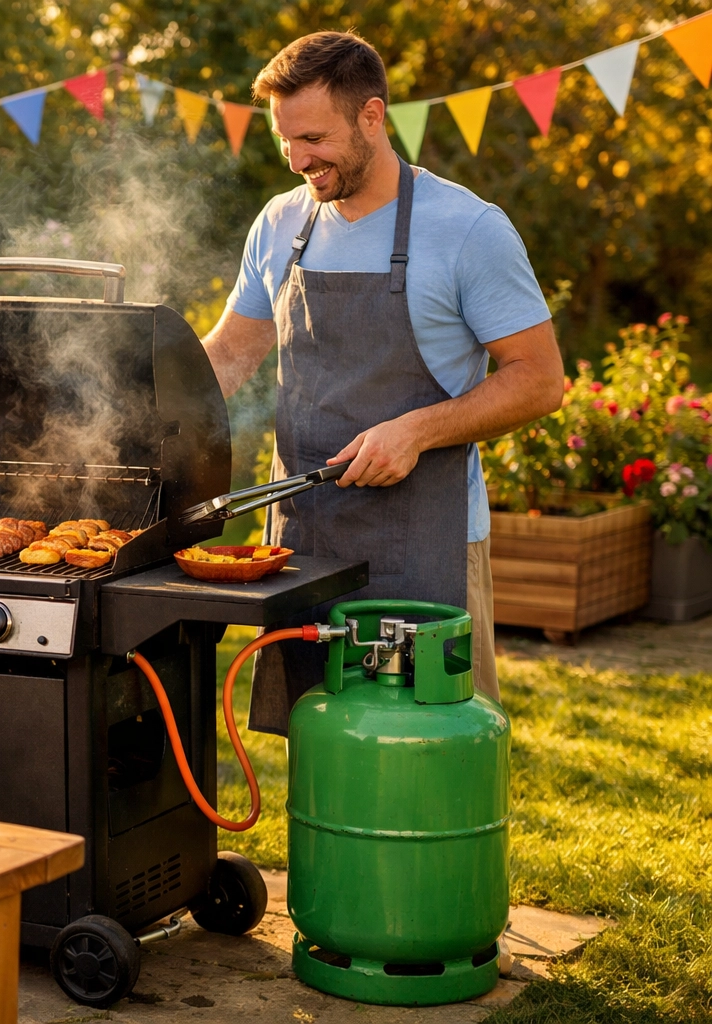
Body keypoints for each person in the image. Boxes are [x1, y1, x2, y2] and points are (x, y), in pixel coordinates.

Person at [201, 31, 565, 733]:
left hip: (428, 542)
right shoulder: (280, 222)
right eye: (284, 140)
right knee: (321, 741)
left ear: (372, 116)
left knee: (435, 744)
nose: (297, 160)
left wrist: (417, 431)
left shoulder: (467, 229)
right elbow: (231, 356)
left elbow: (540, 380)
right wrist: (132, 409)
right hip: (304, 543)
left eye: (314, 138)